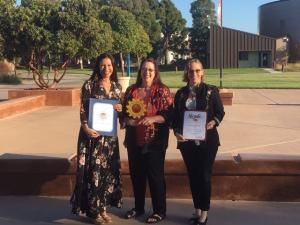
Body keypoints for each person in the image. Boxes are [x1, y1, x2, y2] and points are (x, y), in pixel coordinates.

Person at [70, 53, 123, 225]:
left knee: (107, 173)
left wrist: (120, 109)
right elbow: (83, 110)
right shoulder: (89, 85)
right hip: (91, 137)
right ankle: (93, 211)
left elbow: (120, 114)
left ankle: (103, 208)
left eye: (109, 65)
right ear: (97, 67)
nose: (106, 69)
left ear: (113, 67)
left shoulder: (116, 87)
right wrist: (86, 128)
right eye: (102, 65)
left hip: (109, 140)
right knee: (94, 173)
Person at [173, 59, 225, 225]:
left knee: (204, 176)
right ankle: (197, 210)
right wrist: (176, 132)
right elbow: (175, 118)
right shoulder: (181, 94)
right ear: (186, 74)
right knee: (193, 176)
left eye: (197, 71)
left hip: (207, 142)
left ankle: (204, 212)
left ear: (202, 72)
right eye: (190, 71)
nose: (193, 74)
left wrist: (213, 122)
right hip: (187, 142)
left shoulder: (211, 91)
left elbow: (220, 112)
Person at [122, 58, 173, 224]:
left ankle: (160, 210)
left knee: (155, 176)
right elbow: (123, 113)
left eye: (150, 69)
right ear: (140, 71)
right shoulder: (131, 90)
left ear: (155, 72)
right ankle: (138, 207)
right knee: (137, 176)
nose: (147, 72)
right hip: (134, 141)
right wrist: (127, 121)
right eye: (144, 69)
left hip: (155, 142)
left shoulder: (162, 91)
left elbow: (169, 114)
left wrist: (154, 119)